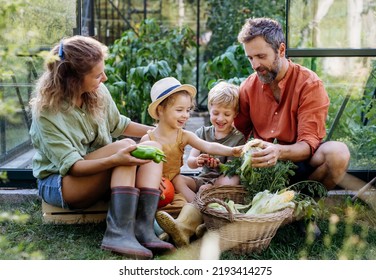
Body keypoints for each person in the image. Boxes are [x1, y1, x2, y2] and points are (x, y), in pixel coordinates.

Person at [29, 35, 173, 259]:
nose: (104, 78)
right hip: (60, 182)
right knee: (124, 148)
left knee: (151, 144)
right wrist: (116, 160)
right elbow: (74, 166)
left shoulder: (97, 92)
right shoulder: (47, 113)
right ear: (73, 80)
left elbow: (120, 125)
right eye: (97, 75)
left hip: (96, 170)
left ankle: (142, 230)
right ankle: (117, 233)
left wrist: (162, 132)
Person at [234, 17, 350, 191]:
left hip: (302, 163)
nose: (255, 65)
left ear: (281, 50)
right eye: (250, 58)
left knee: (338, 154)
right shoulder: (248, 87)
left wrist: (278, 151)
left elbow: (308, 145)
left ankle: (303, 204)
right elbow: (237, 134)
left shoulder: (309, 84)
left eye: (261, 56)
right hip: (264, 168)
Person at [155, 80, 246, 247]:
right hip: (202, 179)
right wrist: (197, 161)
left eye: (226, 114)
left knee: (231, 180)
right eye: (216, 112)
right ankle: (199, 208)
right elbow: (190, 163)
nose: (220, 118)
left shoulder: (238, 137)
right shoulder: (202, 132)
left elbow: (232, 169)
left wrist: (218, 164)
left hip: (220, 182)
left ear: (235, 114)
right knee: (177, 179)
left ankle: (191, 216)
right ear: (209, 110)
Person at [140, 77, 242, 212]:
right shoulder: (148, 139)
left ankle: (199, 208)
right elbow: (139, 167)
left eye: (188, 110)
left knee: (178, 194)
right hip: (156, 186)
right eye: (179, 110)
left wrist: (232, 151)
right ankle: (198, 208)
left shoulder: (184, 136)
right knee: (171, 188)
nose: (185, 115)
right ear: (160, 110)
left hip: (181, 184)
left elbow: (209, 146)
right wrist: (152, 179)